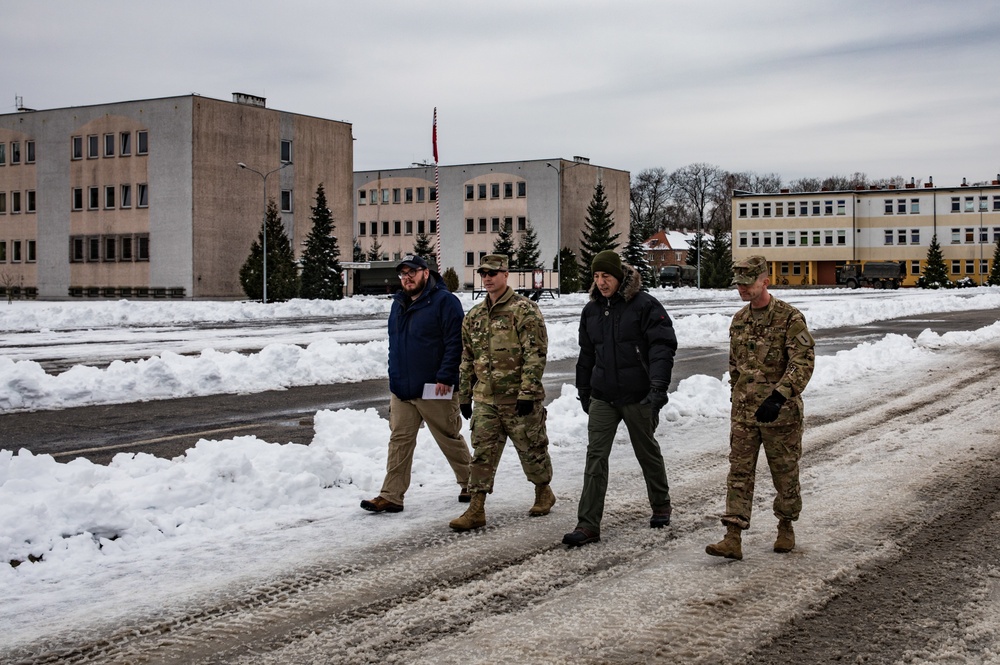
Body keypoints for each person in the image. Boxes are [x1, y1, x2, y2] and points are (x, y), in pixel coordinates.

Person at [562, 250, 677, 547]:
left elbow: (662, 348)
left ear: (619, 276)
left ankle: (661, 503)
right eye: (597, 276)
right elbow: (587, 354)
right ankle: (588, 524)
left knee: (646, 450)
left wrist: (658, 388)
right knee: (595, 457)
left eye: (606, 276)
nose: (601, 282)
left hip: (638, 395)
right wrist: (584, 390)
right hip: (603, 395)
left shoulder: (645, 306)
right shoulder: (591, 312)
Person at [706, 255, 815, 560]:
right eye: (738, 283)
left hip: (780, 414)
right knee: (739, 472)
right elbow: (736, 366)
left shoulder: (789, 318)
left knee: (785, 473)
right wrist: (736, 396)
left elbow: (803, 362)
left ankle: (785, 525)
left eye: (748, 282)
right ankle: (732, 536)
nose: (742, 288)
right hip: (744, 414)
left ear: (765, 281)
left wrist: (779, 397)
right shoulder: (739, 320)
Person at [449, 254, 555, 531]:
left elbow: (536, 353)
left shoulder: (524, 310)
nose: (487, 278)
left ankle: (543, 490)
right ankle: (476, 508)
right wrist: (464, 396)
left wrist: (528, 392)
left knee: (532, 449)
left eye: (493, 273)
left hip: (519, 398)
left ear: (506, 274)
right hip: (486, 399)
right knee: (482, 453)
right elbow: (467, 358)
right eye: (483, 273)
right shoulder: (474, 316)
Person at [360, 254, 472, 514]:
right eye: (403, 273)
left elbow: (456, 342)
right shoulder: (398, 304)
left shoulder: (445, 302)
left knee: (448, 438)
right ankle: (391, 495)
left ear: (426, 273)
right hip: (402, 389)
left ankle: (471, 483)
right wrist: (394, 376)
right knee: (399, 441)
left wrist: (446, 376)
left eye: (413, 272)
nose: (407, 277)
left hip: (435, 386)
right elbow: (395, 344)